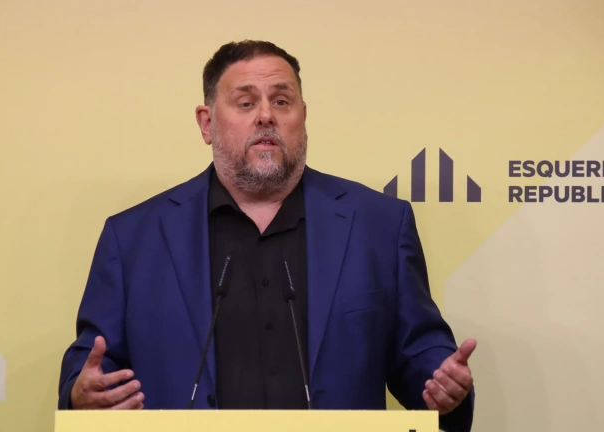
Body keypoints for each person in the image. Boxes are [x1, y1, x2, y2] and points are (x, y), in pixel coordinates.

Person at [57, 40, 476, 432]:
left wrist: (442, 386)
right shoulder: (134, 237)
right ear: (207, 123)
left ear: (303, 117)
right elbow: (93, 362)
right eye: (245, 102)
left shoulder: (378, 225)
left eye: (281, 101)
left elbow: (420, 354)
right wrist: (82, 395)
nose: (265, 116)